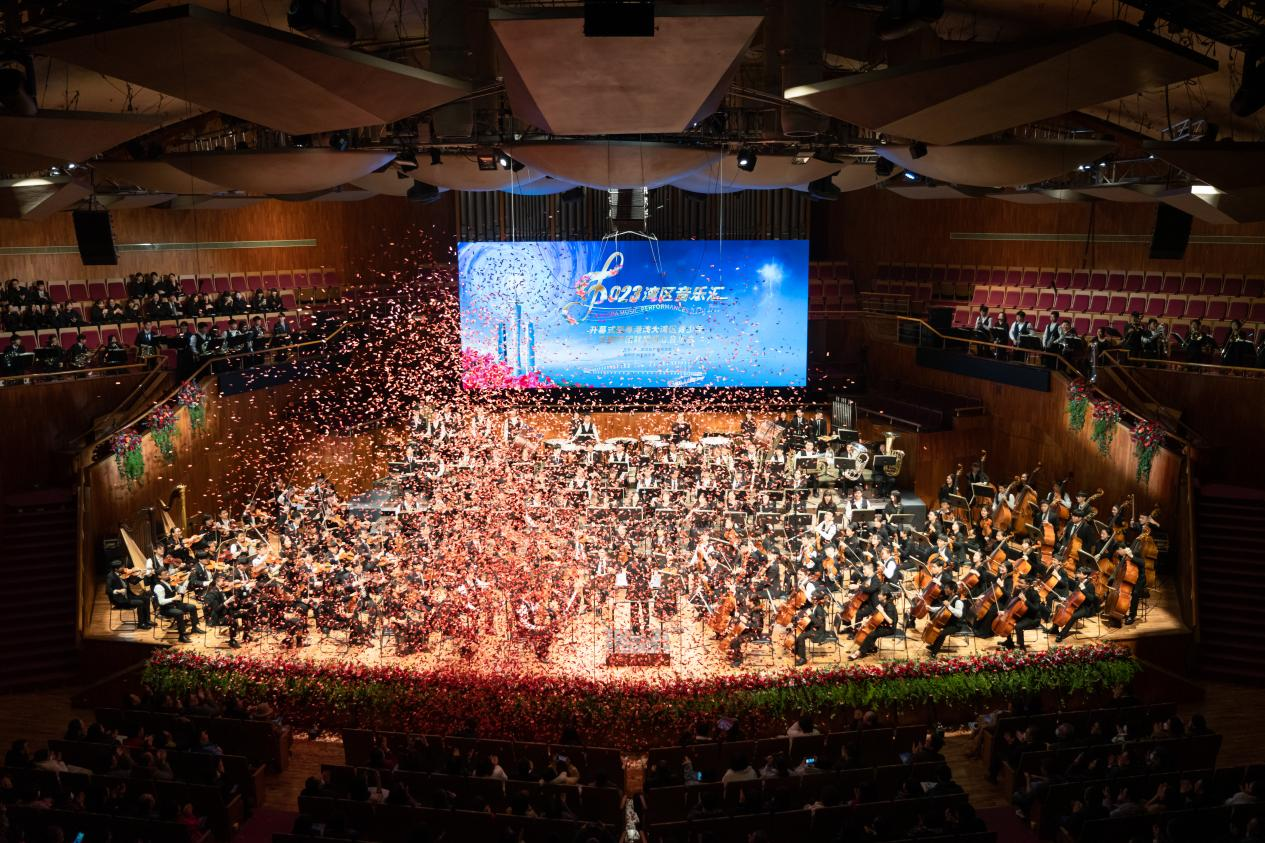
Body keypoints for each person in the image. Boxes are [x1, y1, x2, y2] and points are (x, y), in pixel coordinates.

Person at [152, 570, 203, 643]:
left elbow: (182, 590)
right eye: (165, 574)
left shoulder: (171, 583)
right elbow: (161, 602)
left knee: (192, 607)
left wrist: (187, 580)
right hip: (165, 609)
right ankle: (182, 636)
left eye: (168, 573)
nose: (168, 574)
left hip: (174, 605)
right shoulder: (158, 586)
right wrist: (173, 598)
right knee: (179, 613)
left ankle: (194, 628)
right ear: (159, 576)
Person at [106, 560, 152, 629]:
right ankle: (141, 623)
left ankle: (147, 620)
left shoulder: (124, 573)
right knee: (140, 602)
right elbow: (108, 590)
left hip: (128, 596)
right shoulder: (110, 576)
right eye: (121, 567)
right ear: (116, 569)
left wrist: (141, 575)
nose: (124, 568)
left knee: (146, 598)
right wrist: (118, 591)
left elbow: (134, 582)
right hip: (119, 600)